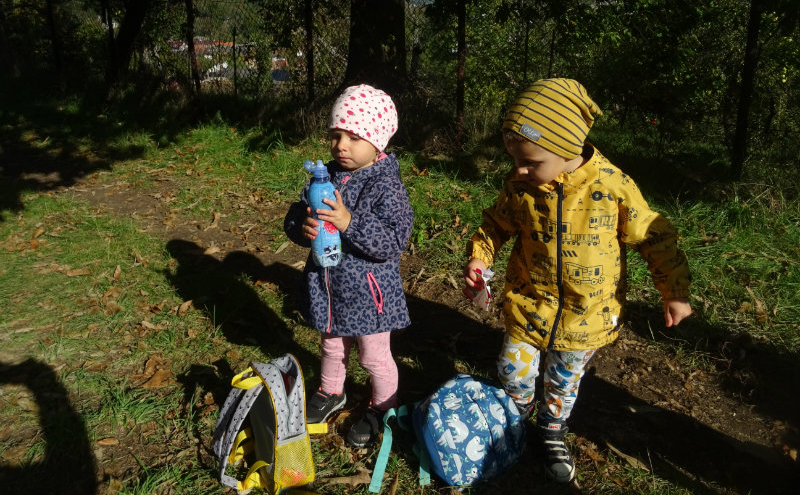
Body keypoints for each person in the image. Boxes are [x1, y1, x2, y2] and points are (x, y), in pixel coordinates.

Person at [463, 78, 692, 483]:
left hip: (586, 316)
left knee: (563, 381)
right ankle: (516, 415)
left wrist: (673, 291)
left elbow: (654, 237)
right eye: (515, 159)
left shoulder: (613, 187)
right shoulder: (521, 185)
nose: (519, 169)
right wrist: (480, 256)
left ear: (567, 148)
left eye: (530, 161)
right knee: (512, 369)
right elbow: (496, 223)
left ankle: (551, 428)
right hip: (528, 302)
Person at [284, 84, 413, 447]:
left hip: (369, 294)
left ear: (377, 142)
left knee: (374, 356)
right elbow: (296, 214)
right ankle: (331, 391)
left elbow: (392, 241)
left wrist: (349, 222)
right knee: (331, 345)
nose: (341, 145)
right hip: (329, 286)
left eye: (354, 138)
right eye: (336, 135)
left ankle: (384, 405)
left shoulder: (387, 186)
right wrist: (302, 226)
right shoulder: (324, 177)